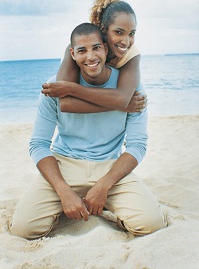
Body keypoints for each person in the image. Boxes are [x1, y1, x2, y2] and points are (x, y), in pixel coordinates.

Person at [10, 23, 167, 240]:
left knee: (152, 224)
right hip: (64, 164)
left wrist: (104, 185)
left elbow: (137, 145)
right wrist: (63, 191)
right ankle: (67, 205)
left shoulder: (130, 90)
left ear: (105, 48)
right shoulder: (55, 87)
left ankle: (103, 205)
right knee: (23, 229)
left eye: (96, 48)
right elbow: (38, 144)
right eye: (82, 51)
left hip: (110, 167)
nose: (90, 56)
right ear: (72, 54)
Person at [41, 0, 147, 114]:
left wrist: (72, 88)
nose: (126, 41)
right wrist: (123, 106)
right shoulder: (79, 49)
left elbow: (122, 99)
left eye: (132, 33)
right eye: (118, 32)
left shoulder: (132, 54)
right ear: (103, 29)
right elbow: (65, 104)